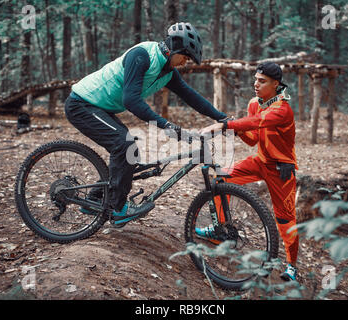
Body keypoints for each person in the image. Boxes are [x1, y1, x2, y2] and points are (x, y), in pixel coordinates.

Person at [64, 22, 228, 227]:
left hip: (101, 107)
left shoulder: (167, 71)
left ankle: (93, 200)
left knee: (129, 151)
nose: (185, 62)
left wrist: (222, 118)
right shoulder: (142, 56)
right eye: (185, 57)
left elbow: (191, 97)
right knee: (124, 145)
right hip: (82, 103)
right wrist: (166, 125)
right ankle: (118, 209)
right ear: (174, 49)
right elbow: (131, 100)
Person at [198, 62, 299, 282]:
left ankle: (292, 266)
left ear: (276, 84)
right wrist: (238, 130)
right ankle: (219, 229)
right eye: (255, 79)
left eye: (262, 81)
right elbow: (253, 138)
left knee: (285, 219)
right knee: (221, 179)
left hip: (281, 169)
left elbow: (259, 121)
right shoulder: (255, 103)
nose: (256, 84)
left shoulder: (282, 109)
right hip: (260, 161)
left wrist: (225, 126)